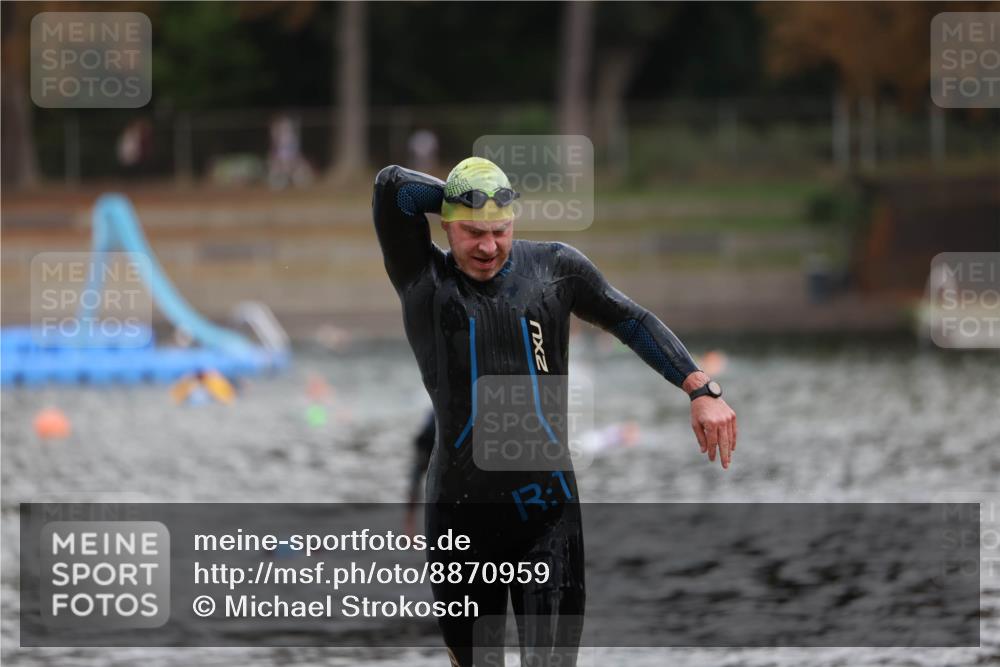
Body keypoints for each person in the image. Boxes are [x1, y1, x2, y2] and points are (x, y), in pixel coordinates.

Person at [372, 157, 738, 666]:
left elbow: (629, 319)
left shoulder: (554, 269)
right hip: (460, 514)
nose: (487, 246)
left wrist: (699, 387)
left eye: (499, 230)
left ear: (514, 221)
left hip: (546, 515)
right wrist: (466, 192)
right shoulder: (422, 278)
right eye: (472, 232)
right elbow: (391, 187)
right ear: (447, 226)